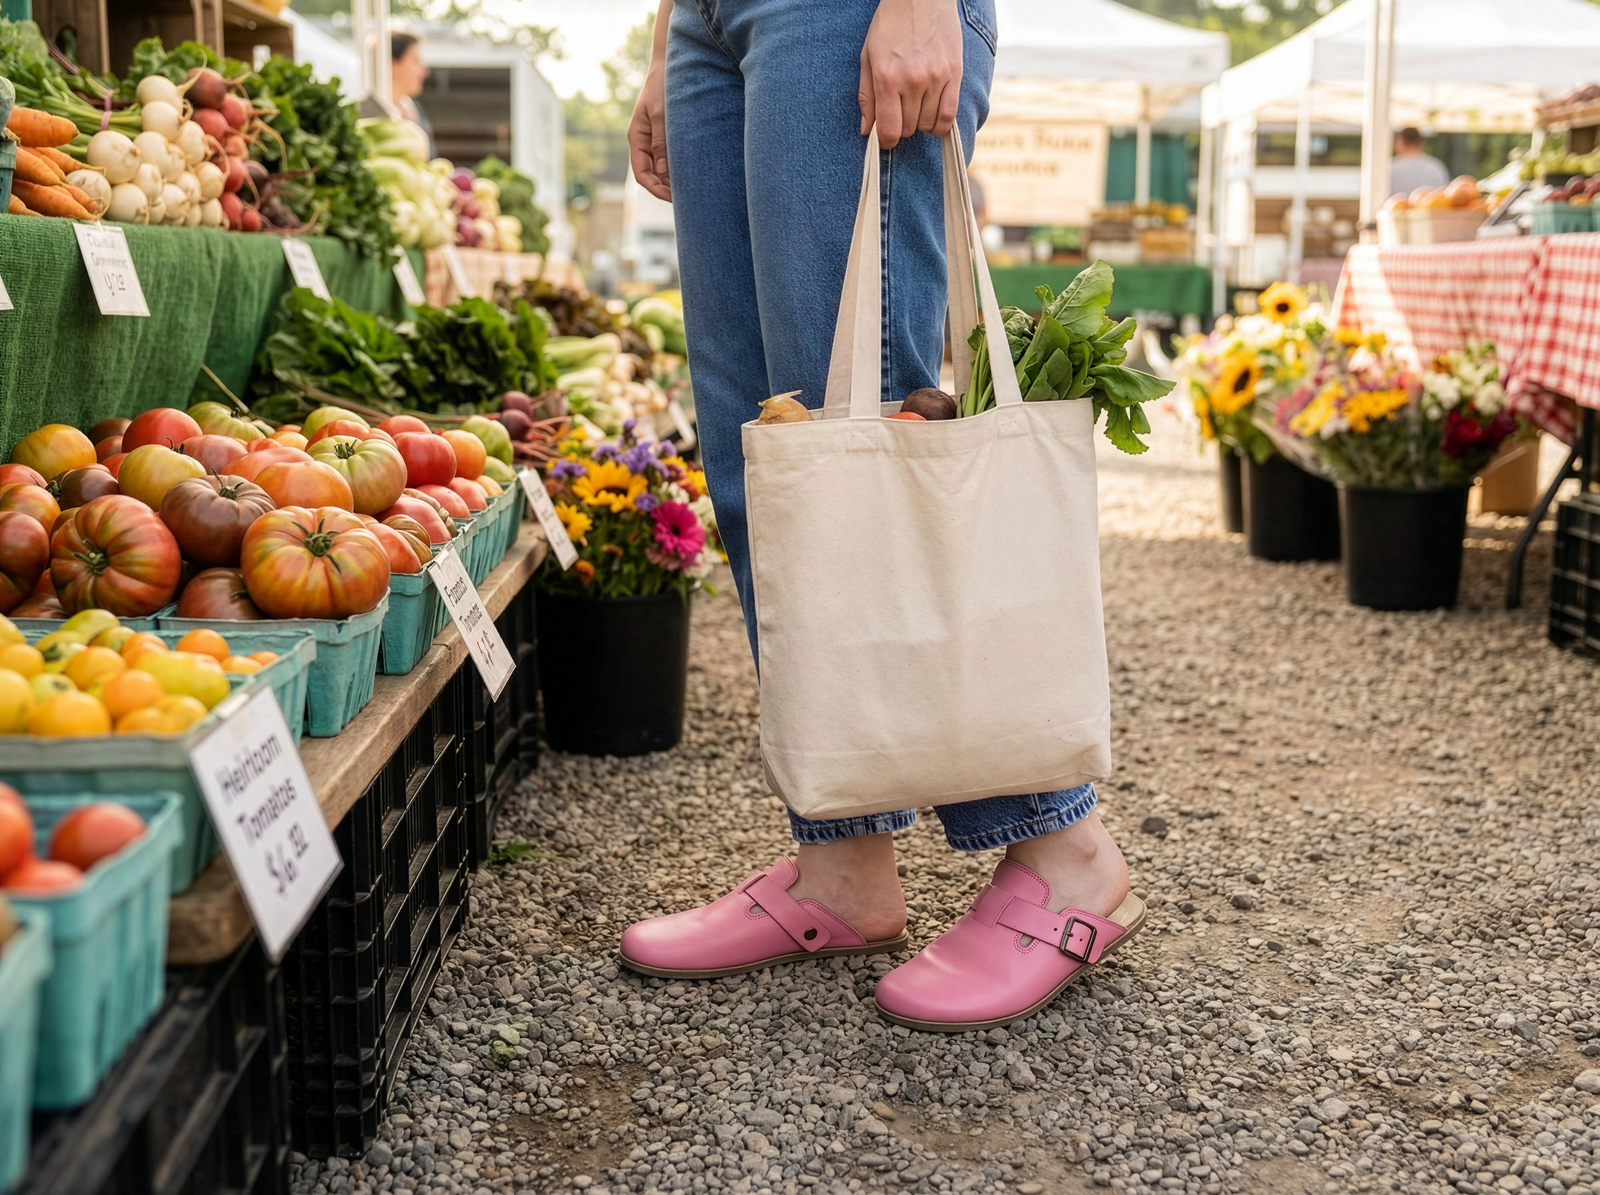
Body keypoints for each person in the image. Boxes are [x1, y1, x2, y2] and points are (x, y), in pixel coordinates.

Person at [618, 0, 1142, 1033]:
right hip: (709, 26)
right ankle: (843, 863)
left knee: (888, 441)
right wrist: (669, 35)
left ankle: (1063, 852)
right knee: (772, 461)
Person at [360, 32, 434, 159]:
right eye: (415, 61)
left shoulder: (414, 108)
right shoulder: (367, 114)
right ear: (392, 65)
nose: (425, 71)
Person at [1390, 126, 1448, 198]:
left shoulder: (1390, 167)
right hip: (1429, 204)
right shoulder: (1436, 167)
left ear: (1400, 141)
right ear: (1420, 142)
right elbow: (1444, 194)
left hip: (1395, 204)